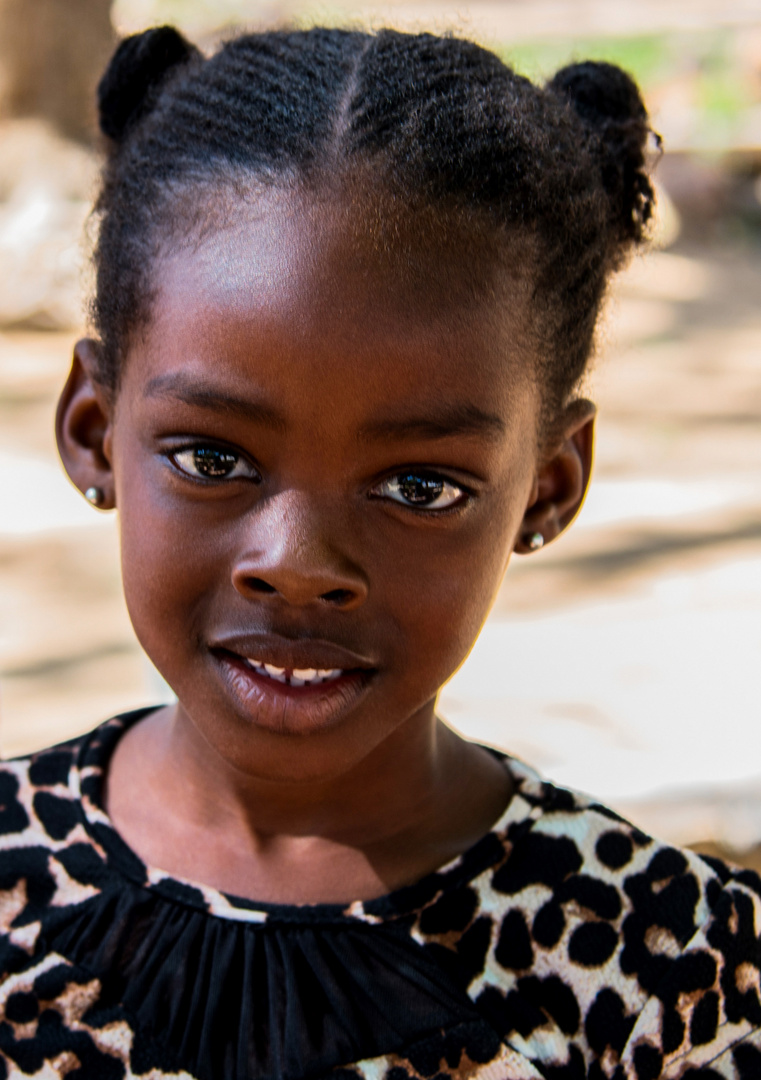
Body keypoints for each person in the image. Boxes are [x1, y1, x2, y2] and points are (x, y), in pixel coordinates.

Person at [0, 24, 759, 1080]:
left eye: (419, 486)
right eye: (213, 458)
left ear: (547, 487)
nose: (299, 561)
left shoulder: (673, 970)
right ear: (92, 433)